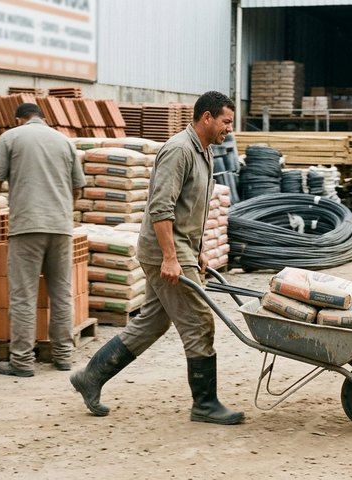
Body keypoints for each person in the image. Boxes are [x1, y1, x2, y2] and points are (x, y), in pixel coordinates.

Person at [70, 91, 244, 425]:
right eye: (225, 122)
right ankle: (205, 404)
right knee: (198, 322)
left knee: (153, 321)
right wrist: (170, 257)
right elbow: (160, 207)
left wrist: (199, 251)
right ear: (206, 117)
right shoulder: (179, 150)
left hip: (181, 249)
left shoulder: (203, 151)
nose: (228, 130)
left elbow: (192, 208)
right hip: (165, 251)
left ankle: (90, 377)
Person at [0, 103, 86, 377]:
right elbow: (78, 188)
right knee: (61, 293)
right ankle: (63, 356)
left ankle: (22, 361)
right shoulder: (64, 141)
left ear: (19, 119)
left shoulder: (12, 137)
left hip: (27, 226)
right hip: (61, 228)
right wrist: (61, 211)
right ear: (43, 118)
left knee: (23, 295)